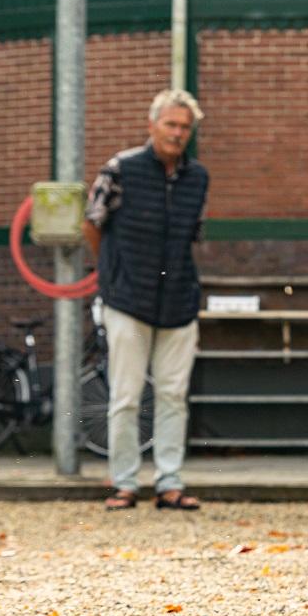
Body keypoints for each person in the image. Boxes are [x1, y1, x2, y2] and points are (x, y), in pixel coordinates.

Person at [83, 89, 209, 512]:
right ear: (151, 125)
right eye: (171, 124)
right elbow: (92, 223)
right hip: (127, 298)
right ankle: (125, 483)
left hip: (178, 299)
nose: (177, 133)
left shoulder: (198, 178)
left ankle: (169, 482)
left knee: (174, 394)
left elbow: (193, 234)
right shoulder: (120, 169)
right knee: (126, 396)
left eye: (185, 127)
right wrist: (113, 271)